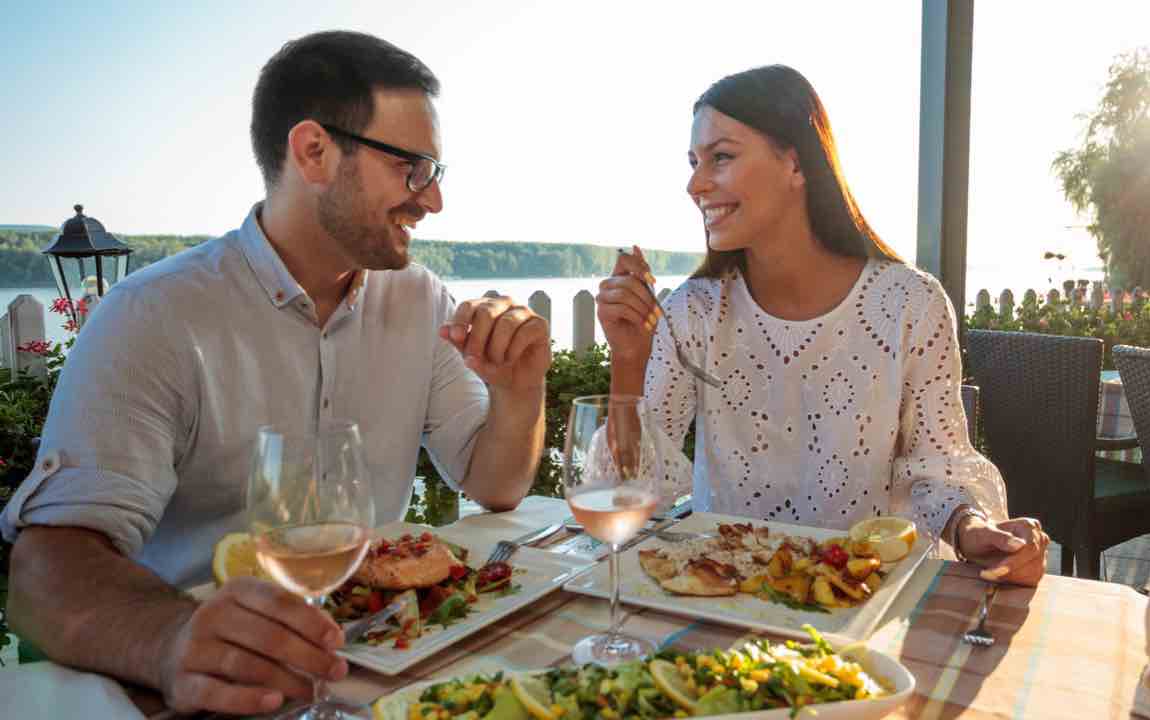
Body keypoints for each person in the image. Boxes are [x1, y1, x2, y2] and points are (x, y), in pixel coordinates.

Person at [1, 31, 550, 715]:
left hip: (388, 664)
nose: (432, 201)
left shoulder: (421, 302)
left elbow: (495, 485)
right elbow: (45, 572)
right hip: (211, 692)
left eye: (437, 173)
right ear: (314, 152)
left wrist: (519, 388)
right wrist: (174, 639)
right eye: (413, 168)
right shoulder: (152, 316)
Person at [597, 65, 1049, 588]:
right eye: (694, 162)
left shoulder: (910, 304)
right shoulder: (694, 311)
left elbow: (936, 467)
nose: (695, 184)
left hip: (863, 599)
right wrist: (628, 359)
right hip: (721, 593)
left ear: (795, 162)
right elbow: (629, 493)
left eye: (720, 157)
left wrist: (974, 529)